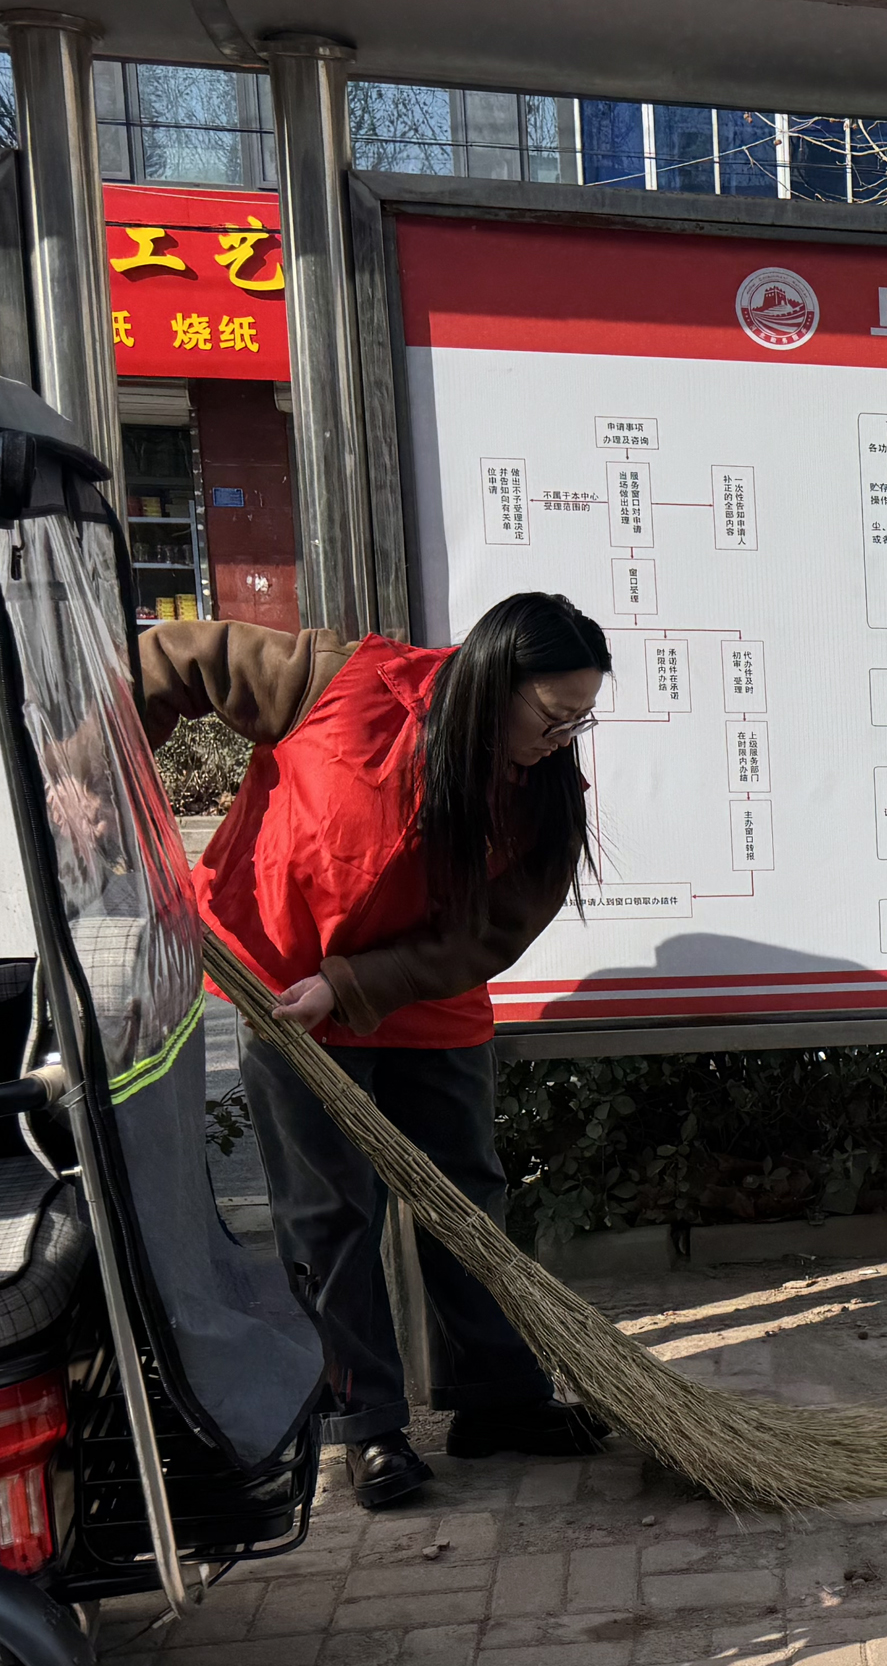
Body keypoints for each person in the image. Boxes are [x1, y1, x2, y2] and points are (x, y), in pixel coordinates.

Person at [138, 594, 615, 1510]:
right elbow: (173, 659)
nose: (565, 740)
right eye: (555, 717)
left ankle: (497, 1398)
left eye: (579, 721)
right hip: (290, 998)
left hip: (428, 1003)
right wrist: (97, 779)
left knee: (464, 1200)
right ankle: (364, 1424)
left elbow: (495, 930)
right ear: (493, 683)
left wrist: (357, 983)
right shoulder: (336, 683)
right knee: (329, 1215)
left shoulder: (546, 791)